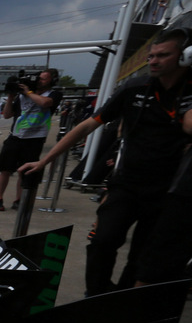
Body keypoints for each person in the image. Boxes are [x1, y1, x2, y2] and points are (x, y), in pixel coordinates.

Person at [19, 28, 192, 295]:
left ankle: (124, 301)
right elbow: (88, 125)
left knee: (145, 255)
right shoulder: (135, 87)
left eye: (163, 55)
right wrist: (45, 161)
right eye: (152, 55)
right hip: (126, 183)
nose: (154, 61)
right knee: (102, 241)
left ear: (185, 56)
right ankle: (96, 295)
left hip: (169, 191)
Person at [0, 69, 62, 211]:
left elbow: (45, 103)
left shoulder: (53, 94)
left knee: (24, 171)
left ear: (52, 81)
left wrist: (29, 92)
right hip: (15, 136)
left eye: (44, 79)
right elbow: (7, 115)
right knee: (4, 169)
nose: (40, 81)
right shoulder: (21, 96)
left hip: (34, 139)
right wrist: (11, 97)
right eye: (39, 78)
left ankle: (19, 199)